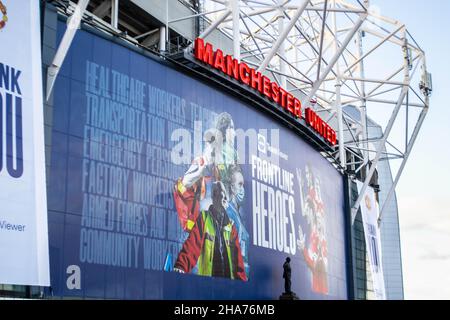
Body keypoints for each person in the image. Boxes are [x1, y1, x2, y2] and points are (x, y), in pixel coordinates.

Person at [173, 181, 247, 281]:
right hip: (208, 285)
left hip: (229, 288)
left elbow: (238, 262)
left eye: (222, 194)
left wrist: (242, 283)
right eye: (216, 194)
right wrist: (181, 266)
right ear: (213, 197)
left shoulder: (231, 227)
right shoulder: (204, 219)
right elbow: (191, 246)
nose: (221, 197)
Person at [225, 165, 250, 278]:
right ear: (232, 187)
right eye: (240, 184)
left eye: (243, 185)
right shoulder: (229, 213)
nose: (242, 189)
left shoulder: (237, 215)